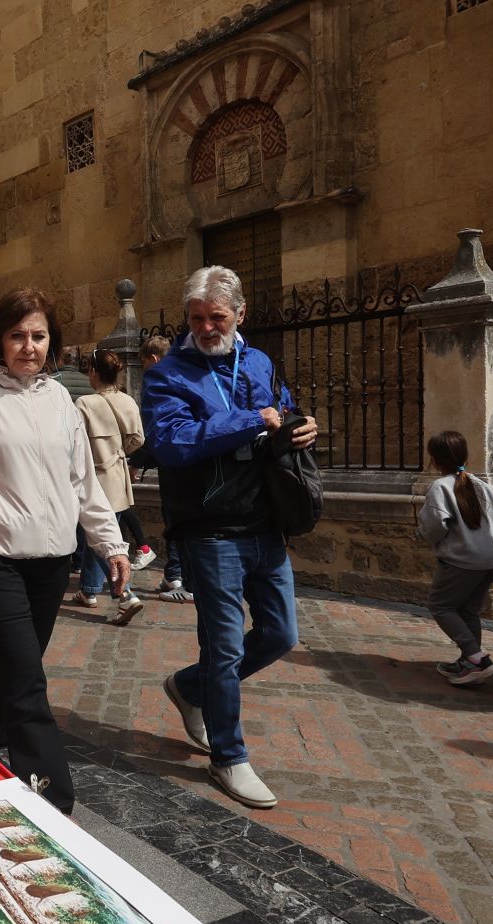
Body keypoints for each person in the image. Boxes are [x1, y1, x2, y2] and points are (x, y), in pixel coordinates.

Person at [0, 289, 130, 815]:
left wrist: (110, 544)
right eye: (17, 335)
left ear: (51, 342)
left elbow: (83, 482)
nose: (28, 346)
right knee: (29, 681)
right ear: (0, 338)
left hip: (51, 565)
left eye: (38, 336)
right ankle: (52, 796)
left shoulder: (61, 399)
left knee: (17, 671)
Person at [143, 265, 318, 810]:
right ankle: (229, 757)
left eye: (217, 318)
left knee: (280, 634)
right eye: (196, 318)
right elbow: (171, 443)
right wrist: (249, 422)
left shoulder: (260, 360)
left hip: (265, 519)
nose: (206, 327)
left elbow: (279, 410)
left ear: (240, 315)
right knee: (223, 648)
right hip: (209, 527)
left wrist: (300, 423)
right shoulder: (167, 373)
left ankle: (190, 689)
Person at [418, 430, 493, 685]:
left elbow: (435, 525)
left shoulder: (440, 487)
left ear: (434, 459)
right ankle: (470, 661)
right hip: (489, 559)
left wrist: (422, 534)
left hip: (461, 560)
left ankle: (477, 657)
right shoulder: (482, 485)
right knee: (468, 610)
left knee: (440, 605)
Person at [74, 350, 147, 626]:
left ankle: (125, 594)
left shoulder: (84, 403)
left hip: (92, 478)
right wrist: (118, 453)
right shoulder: (127, 400)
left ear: (93, 371)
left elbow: (75, 444)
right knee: (104, 534)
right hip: (116, 477)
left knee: (101, 540)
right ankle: (89, 590)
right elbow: (138, 439)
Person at [140, 334, 194, 604]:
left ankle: (176, 575)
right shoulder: (185, 374)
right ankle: (174, 574)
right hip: (185, 465)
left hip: (175, 467)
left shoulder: (162, 379)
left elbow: (158, 432)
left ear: (153, 358)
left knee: (176, 520)